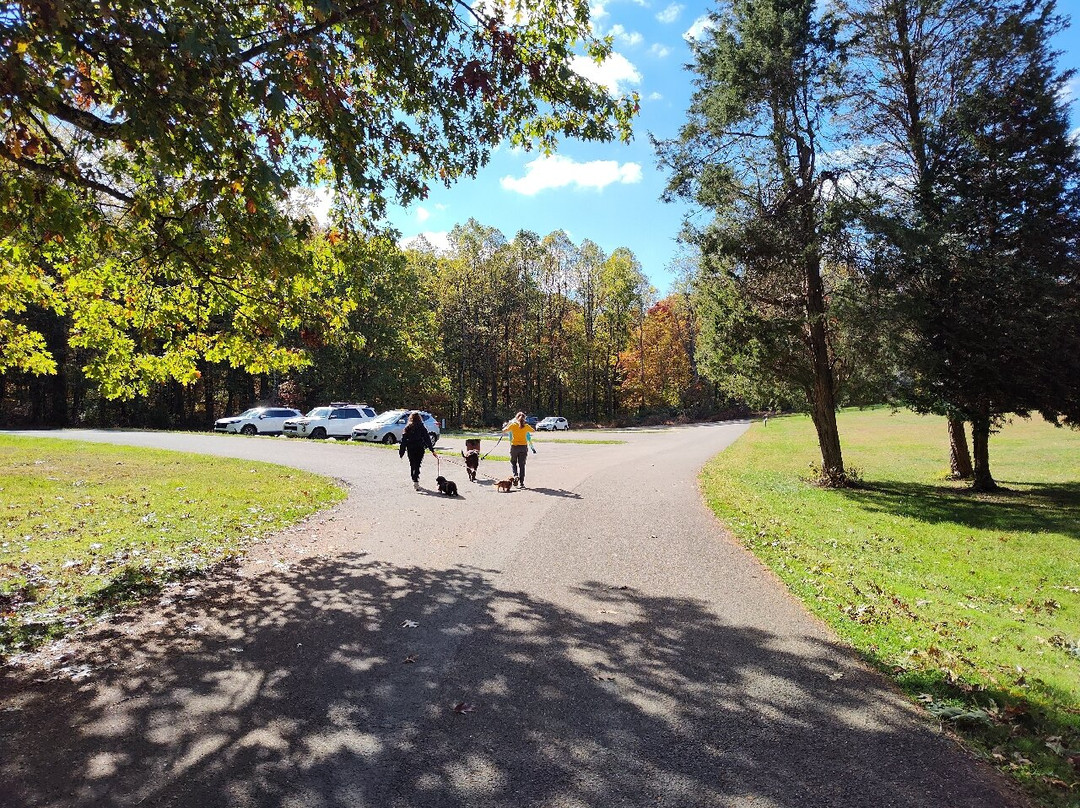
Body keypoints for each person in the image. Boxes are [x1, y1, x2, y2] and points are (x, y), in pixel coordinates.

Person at [399, 411, 437, 490]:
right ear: (419, 418)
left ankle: (414, 479)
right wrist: (432, 450)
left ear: (411, 418)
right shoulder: (422, 427)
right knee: (417, 465)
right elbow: (427, 439)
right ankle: (416, 480)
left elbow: (403, 440)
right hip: (420, 448)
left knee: (412, 464)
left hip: (411, 448)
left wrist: (401, 451)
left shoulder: (407, 428)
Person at [501, 411, 535, 487]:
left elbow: (504, 430)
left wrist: (508, 425)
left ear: (516, 418)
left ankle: (515, 475)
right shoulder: (526, 426)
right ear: (524, 419)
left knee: (513, 462)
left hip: (514, 447)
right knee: (522, 465)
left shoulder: (513, 425)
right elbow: (533, 430)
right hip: (523, 447)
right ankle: (522, 483)